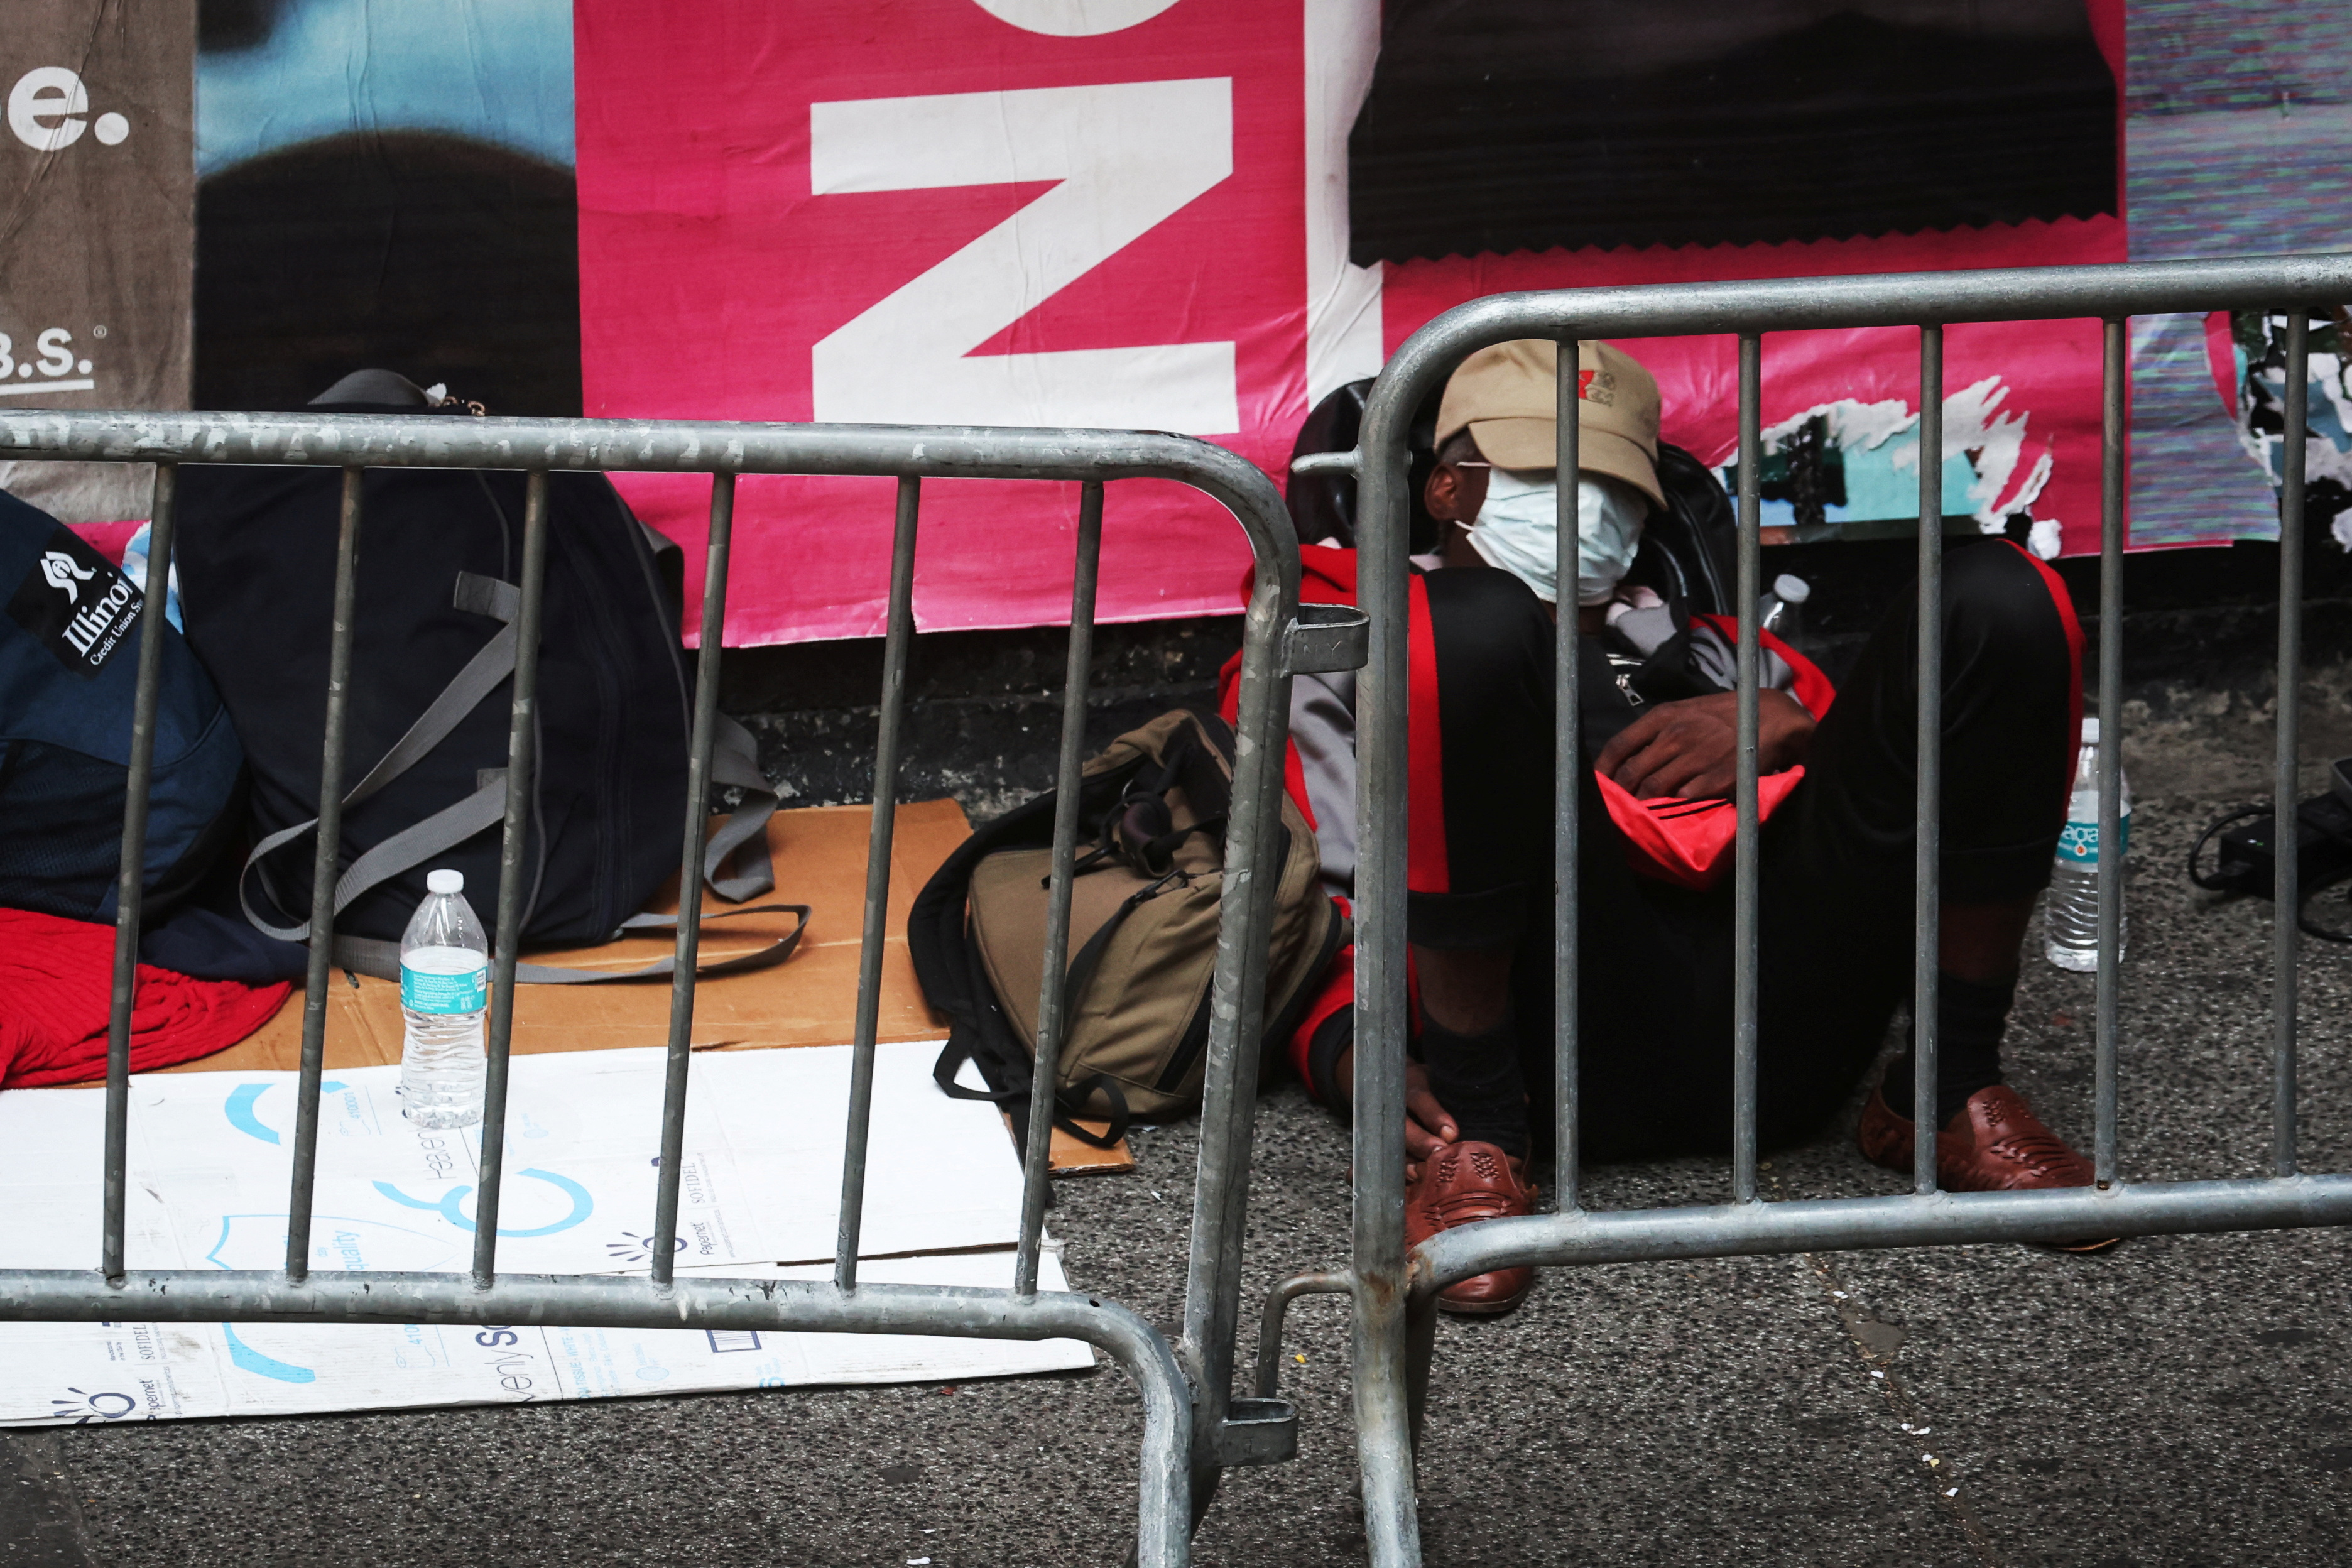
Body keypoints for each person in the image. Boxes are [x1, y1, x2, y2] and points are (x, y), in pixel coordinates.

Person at [1264, 339, 2099, 1317]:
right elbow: (1293, 881)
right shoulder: (1343, 648)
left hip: (1781, 1025)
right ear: (1448, 487)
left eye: (1612, 487)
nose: (1585, 507)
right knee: (1473, 625)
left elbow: (1874, 811)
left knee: (2004, 596)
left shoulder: (1715, 648)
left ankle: (1946, 1090)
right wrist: (1345, 1047)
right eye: (1544, 471)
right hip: (1542, 1044)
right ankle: (1485, 1145)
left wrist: (1796, 727)